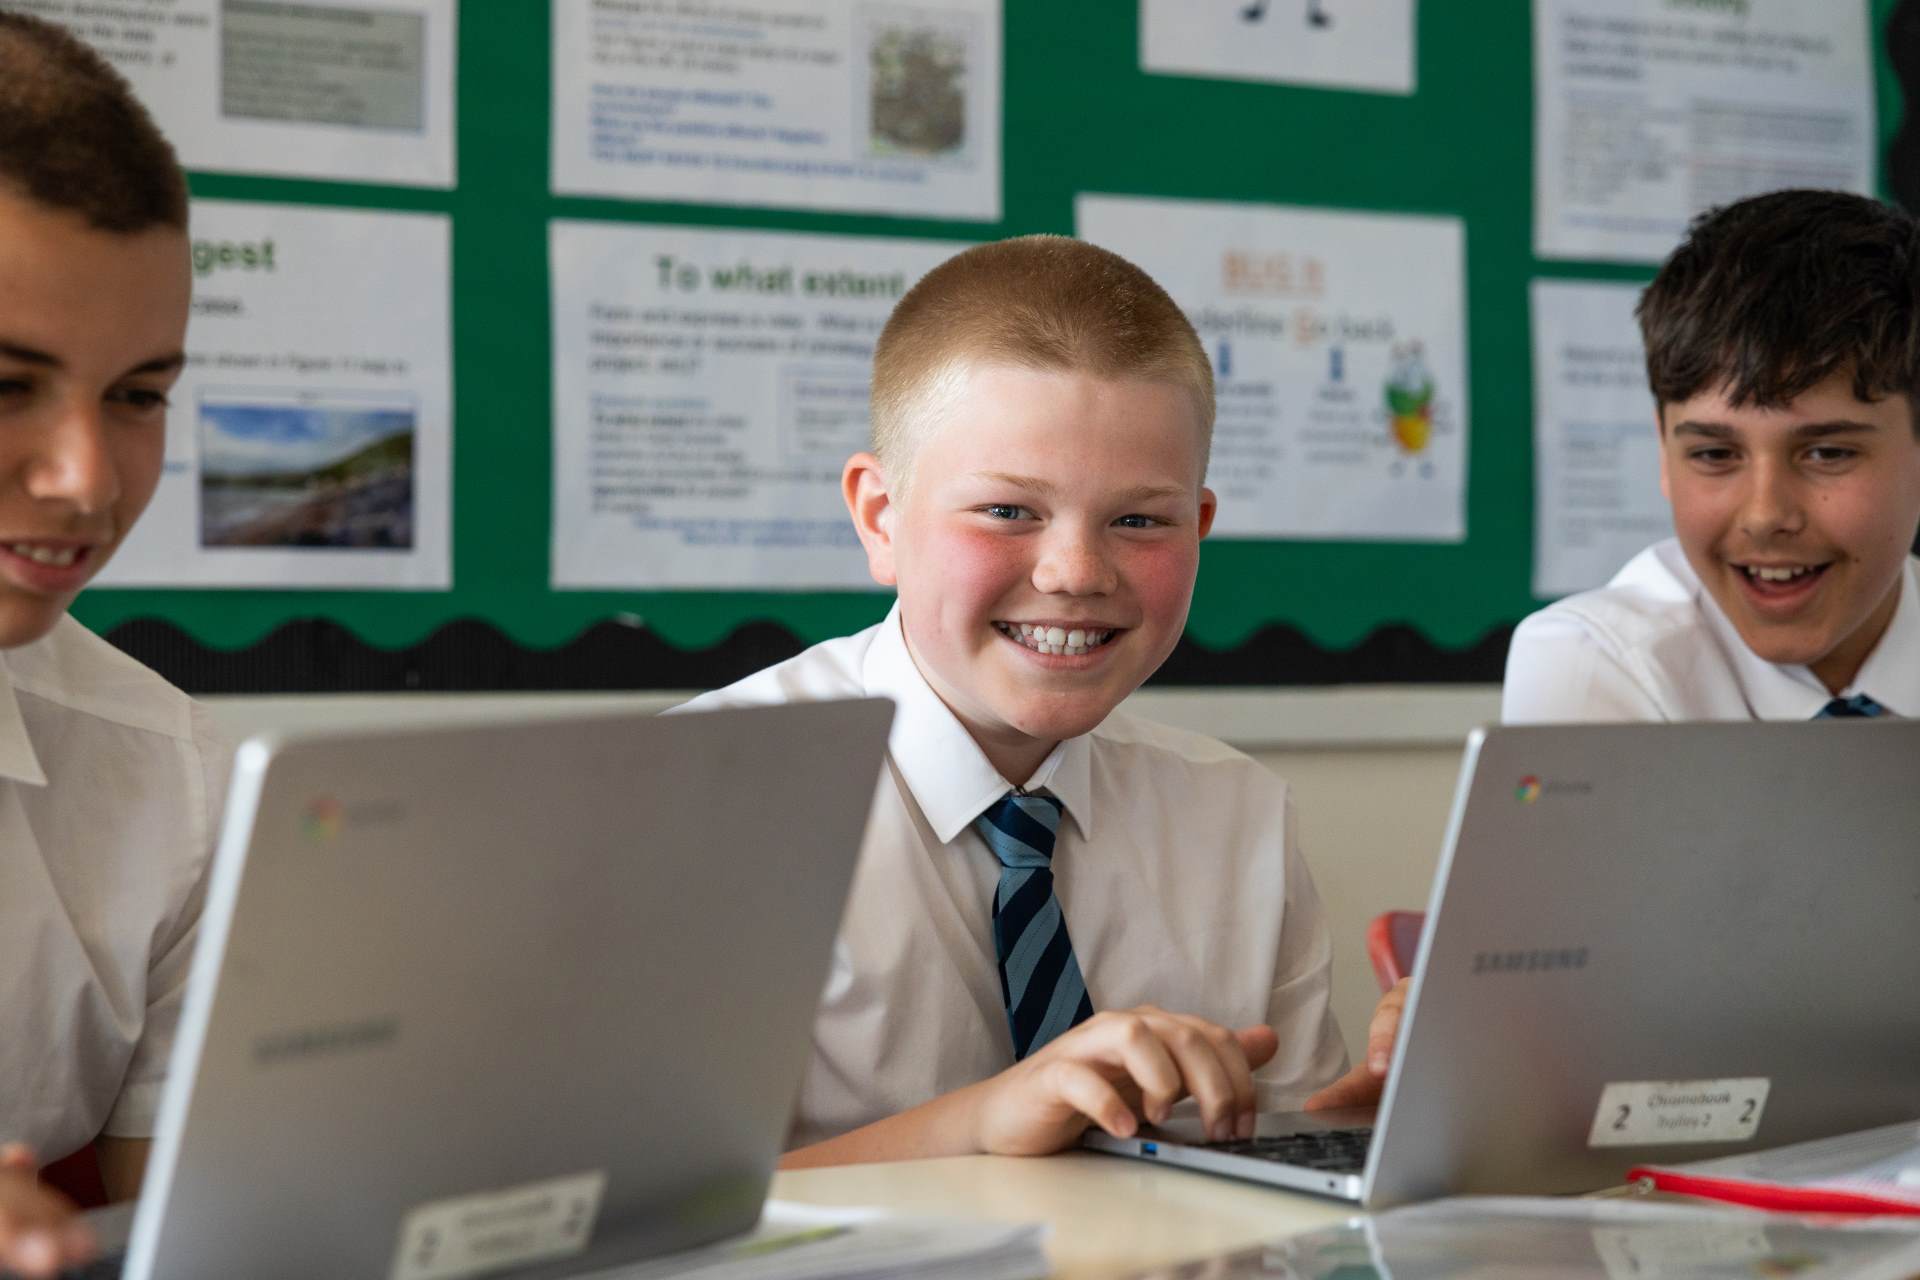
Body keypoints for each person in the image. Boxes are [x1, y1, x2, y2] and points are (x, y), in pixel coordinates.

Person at [681, 235, 1405, 1167]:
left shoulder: (1238, 818)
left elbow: (1284, 1183)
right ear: (880, 518)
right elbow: (635, 1220)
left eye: (1138, 520)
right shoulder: (701, 800)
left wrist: (1384, 1126)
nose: (1075, 573)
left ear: (1199, 528)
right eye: (1007, 512)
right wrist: (983, 1124)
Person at [0, 14, 226, 1275]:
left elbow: (209, 1239)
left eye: (139, 395)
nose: (88, 481)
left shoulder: (165, 776)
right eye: (6, 385)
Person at [1505, 189, 1920, 723]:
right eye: (1715, 453)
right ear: (1664, 454)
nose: (1764, 516)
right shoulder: (1595, 662)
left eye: (1827, 453)